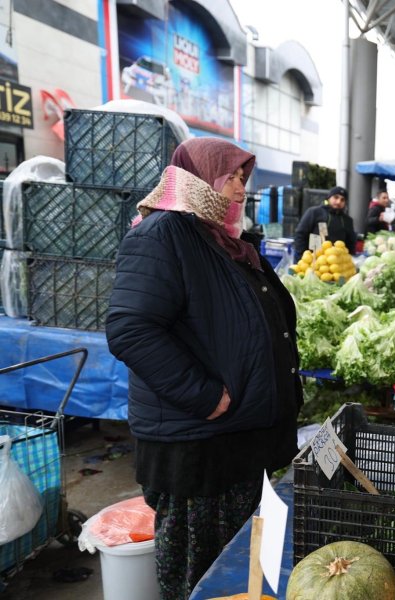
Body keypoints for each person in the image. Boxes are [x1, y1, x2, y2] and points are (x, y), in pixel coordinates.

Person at [105, 138, 301, 600]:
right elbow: (131, 329)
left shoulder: (226, 242)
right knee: (204, 575)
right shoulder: (162, 236)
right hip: (199, 446)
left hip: (244, 443)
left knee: (246, 572)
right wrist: (207, 396)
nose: (239, 189)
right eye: (230, 176)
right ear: (195, 177)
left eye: (243, 178)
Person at [293, 186, 357, 258]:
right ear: (329, 198)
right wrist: (302, 256)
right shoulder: (314, 212)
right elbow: (300, 235)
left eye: (342, 200)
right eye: (336, 197)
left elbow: (351, 243)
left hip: (335, 263)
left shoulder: (347, 220)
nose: (339, 202)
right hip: (312, 260)